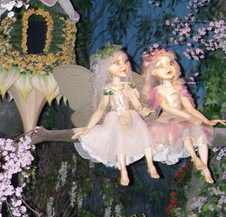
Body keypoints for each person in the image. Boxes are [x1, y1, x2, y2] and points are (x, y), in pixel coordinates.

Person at [73, 46, 160, 186]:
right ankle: (123, 170)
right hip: (115, 117)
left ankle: (150, 164)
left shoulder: (129, 87)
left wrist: (144, 111)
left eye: (125, 62)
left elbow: (137, 105)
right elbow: (101, 109)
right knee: (118, 138)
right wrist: (88, 128)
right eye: (116, 63)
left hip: (130, 115)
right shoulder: (108, 89)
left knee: (144, 132)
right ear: (107, 68)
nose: (123, 66)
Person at [142, 47, 223, 184]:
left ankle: (205, 167)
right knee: (179, 131)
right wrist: (189, 117)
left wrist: (207, 121)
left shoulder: (180, 88)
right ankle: (192, 158)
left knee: (200, 134)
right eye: (161, 66)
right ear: (154, 72)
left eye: (170, 63)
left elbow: (190, 108)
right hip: (169, 118)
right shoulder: (158, 90)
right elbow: (167, 107)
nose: (167, 68)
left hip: (184, 116)